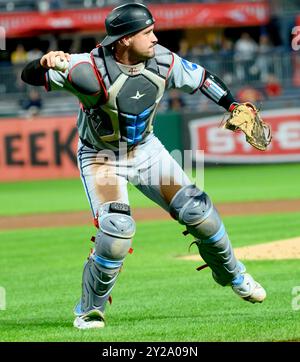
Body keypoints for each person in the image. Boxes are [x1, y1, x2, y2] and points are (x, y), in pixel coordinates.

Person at [21, 3, 266, 330]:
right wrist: (43, 62)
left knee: (198, 211)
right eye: (146, 32)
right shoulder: (86, 69)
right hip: (101, 156)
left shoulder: (163, 61)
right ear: (123, 39)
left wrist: (233, 104)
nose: (155, 38)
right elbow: (30, 76)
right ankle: (89, 310)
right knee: (117, 229)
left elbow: (203, 79)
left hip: (145, 150)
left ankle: (234, 275)